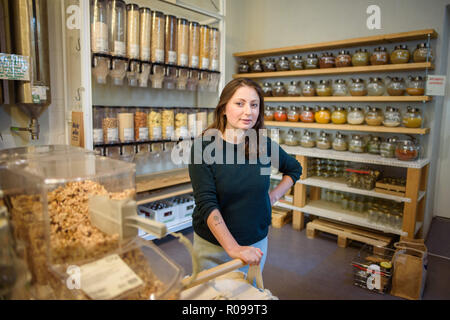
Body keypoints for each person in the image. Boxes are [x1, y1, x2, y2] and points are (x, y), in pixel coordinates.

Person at [188, 78, 302, 277]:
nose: (248, 112)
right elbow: (207, 203)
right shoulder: (203, 148)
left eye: (254, 105)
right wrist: (233, 248)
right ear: (223, 108)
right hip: (213, 248)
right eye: (239, 104)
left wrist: (272, 198)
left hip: (255, 245)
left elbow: (294, 169)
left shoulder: (263, 145)